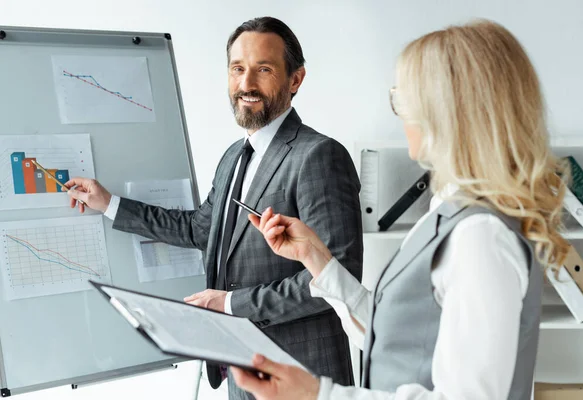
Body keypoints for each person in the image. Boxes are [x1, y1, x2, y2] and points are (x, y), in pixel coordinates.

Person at [231, 19, 570, 400]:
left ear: (449, 112)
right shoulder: (452, 212)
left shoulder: (479, 236)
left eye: (404, 98)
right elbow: (395, 335)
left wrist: (318, 394)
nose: (399, 113)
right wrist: (316, 259)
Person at [65, 16, 363, 400]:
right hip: (243, 372)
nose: (246, 84)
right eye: (237, 69)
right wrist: (109, 205)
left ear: (296, 80)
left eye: (264, 69)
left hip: (302, 375)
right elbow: (201, 230)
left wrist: (231, 304)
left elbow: (336, 279)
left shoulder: (319, 156)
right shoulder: (234, 158)